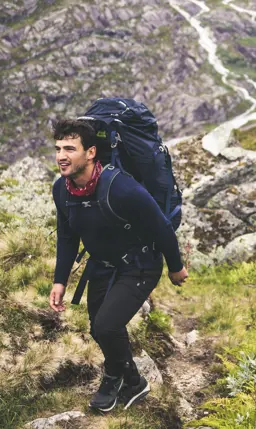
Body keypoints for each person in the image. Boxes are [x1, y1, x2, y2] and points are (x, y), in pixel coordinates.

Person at [47, 118, 188, 412]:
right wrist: (60, 280)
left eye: (70, 148)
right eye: (58, 148)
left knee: (108, 325)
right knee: (100, 330)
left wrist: (175, 267)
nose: (61, 155)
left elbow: (162, 228)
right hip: (102, 266)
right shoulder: (62, 190)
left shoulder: (121, 187)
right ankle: (134, 382)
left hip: (140, 265)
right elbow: (67, 235)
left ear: (91, 153)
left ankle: (113, 378)